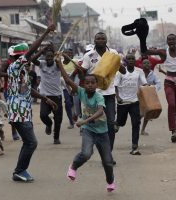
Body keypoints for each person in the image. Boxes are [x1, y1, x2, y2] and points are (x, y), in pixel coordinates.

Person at [55, 54, 116, 192]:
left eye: (92, 83)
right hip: (89, 131)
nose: (89, 85)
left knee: (107, 161)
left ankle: (110, 181)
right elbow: (67, 80)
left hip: (102, 133)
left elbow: (100, 112)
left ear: (96, 84)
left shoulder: (99, 96)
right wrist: (59, 64)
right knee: (86, 153)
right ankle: (73, 167)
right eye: (87, 83)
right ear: (83, 84)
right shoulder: (81, 92)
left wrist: (84, 121)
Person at [8, 24, 57, 182]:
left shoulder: (23, 73)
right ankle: (19, 171)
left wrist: (46, 99)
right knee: (31, 143)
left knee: (28, 142)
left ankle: (20, 170)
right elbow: (31, 52)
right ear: (20, 57)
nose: (29, 61)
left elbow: (29, 91)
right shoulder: (15, 67)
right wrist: (46, 32)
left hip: (24, 112)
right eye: (26, 58)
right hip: (18, 112)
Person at [80, 32, 117, 164]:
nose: (100, 40)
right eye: (98, 38)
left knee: (111, 124)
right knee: (96, 125)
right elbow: (82, 73)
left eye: (103, 38)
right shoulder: (88, 55)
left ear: (107, 40)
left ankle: (108, 154)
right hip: (95, 95)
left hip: (110, 93)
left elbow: (120, 69)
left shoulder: (113, 53)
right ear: (94, 40)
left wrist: (120, 65)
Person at [114, 54, 147, 155]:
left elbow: (144, 83)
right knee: (121, 122)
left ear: (135, 60)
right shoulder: (120, 71)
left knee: (136, 123)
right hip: (123, 102)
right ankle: (117, 124)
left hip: (135, 102)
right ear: (126, 61)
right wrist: (118, 97)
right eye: (129, 59)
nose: (131, 60)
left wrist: (148, 88)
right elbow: (115, 85)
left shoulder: (139, 71)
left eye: (133, 59)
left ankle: (134, 146)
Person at [31, 46, 63, 144]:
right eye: (47, 56)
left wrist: (59, 60)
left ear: (54, 56)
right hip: (45, 96)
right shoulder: (42, 64)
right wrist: (41, 50)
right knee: (43, 115)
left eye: (51, 56)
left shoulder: (57, 64)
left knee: (58, 119)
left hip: (57, 96)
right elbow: (32, 59)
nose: (49, 58)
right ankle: (49, 124)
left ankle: (56, 138)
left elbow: (62, 66)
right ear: (45, 56)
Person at [0, 48, 21, 141]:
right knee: (13, 112)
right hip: (9, 89)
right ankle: (14, 132)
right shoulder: (7, 62)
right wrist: (10, 74)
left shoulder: (20, 62)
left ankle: (19, 130)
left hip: (20, 89)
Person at [140, 59, 161, 136]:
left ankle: (143, 130)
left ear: (150, 65)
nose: (146, 64)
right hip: (139, 95)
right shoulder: (139, 73)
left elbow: (158, 84)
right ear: (141, 65)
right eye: (144, 63)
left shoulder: (153, 75)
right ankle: (136, 127)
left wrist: (151, 87)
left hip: (149, 96)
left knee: (148, 113)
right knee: (139, 114)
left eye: (148, 63)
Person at [61, 49, 77, 129]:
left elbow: (79, 68)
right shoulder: (60, 63)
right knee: (68, 104)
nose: (68, 55)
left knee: (76, 103)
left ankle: (75, 115)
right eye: (67, 53)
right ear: (63, 54)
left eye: (70, 53)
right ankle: (71, 121)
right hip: (65, 88)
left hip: (75, 87)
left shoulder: (75, 61)